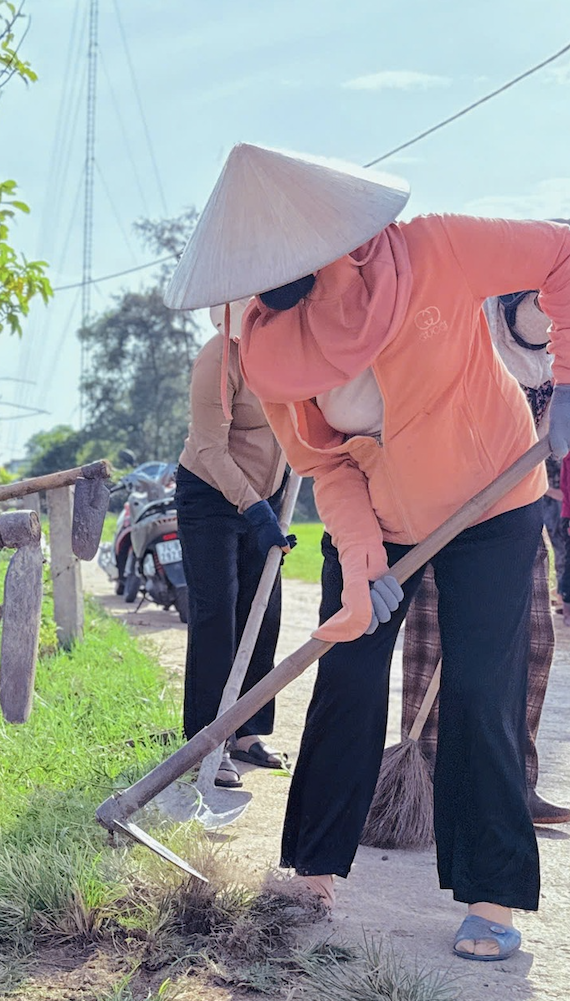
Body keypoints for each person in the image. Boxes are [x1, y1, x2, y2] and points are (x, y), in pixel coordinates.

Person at [165, 142, 570, 962]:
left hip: (493, 498)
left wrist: (565, 378)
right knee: (347, 669)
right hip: (382, 513)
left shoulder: (434, 249)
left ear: (338, 242)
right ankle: (313, 869)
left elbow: (561, 252)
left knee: (481, 689)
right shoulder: (265, 345)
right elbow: (323, 463)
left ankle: (492, 894)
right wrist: (361, 561)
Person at [400, 290, 570, 826]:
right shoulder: (474, 328)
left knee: (536, 641)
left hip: (517, 504)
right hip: (446, 501)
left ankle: (514, 784)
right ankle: (421, 785)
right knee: (434, 642)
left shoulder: (560, 350)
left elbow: (541, 436)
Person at [174, 297, 291, 790]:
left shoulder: (294, 356)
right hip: (210, 495)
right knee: (217, 615)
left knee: (263, 614)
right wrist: (253, 508)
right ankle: (207, 739)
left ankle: (245, 732)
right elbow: (208, 447)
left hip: (268, 496)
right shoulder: (218, 359)